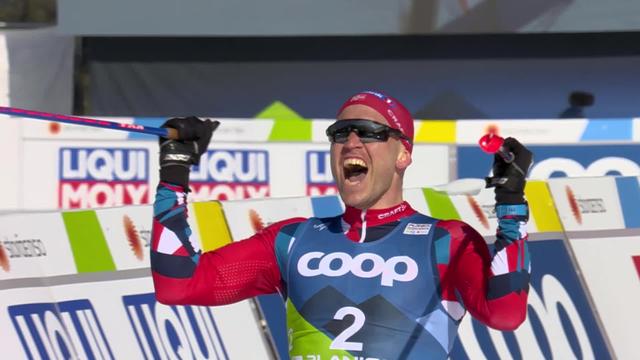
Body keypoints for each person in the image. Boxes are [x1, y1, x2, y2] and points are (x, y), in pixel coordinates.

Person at [150, 91, 533, 360]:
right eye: (339, 134)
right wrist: (174, 170)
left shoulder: (446, 240)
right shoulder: (291, 240)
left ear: (403, 154)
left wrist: (512, 205)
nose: (350, 142)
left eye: (368, 132)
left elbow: (505, 313)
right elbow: (178, 284)